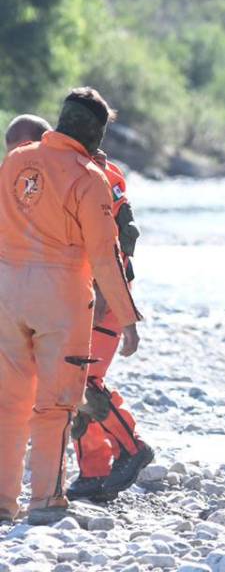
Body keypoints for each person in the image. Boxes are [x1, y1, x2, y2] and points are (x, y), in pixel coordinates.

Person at [0, 88, 141, 524]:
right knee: (56, 405)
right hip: (61, 298)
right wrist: (129, 318)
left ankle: (3, 505)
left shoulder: (15, 161)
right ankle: (45, 502)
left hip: (7, 292)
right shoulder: (89, 177)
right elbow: (105, 255)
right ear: (96, 133)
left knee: (8, 404)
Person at [68, 148, 153, 502]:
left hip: (104, 298)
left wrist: (107, 293)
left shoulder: (101, 175)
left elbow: (121, 240)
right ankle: (94, 471)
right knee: (70, 381)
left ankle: (132, 448)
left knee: (83, 382)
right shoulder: (51, 169)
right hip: (76, 295)